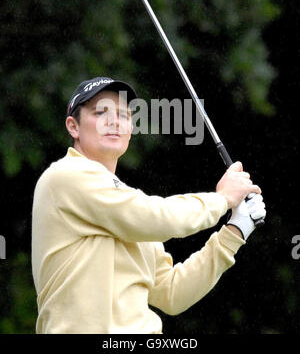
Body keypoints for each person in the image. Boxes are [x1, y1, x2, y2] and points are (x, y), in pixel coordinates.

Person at [31, 76, 266, 334]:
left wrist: (235, 231)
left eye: (123, 115)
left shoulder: (127, 203)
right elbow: (158, 218)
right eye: (101, 112)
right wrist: (222, 199)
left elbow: (172, 293)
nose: (114, 122)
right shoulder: (65, 176)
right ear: (73, 127)